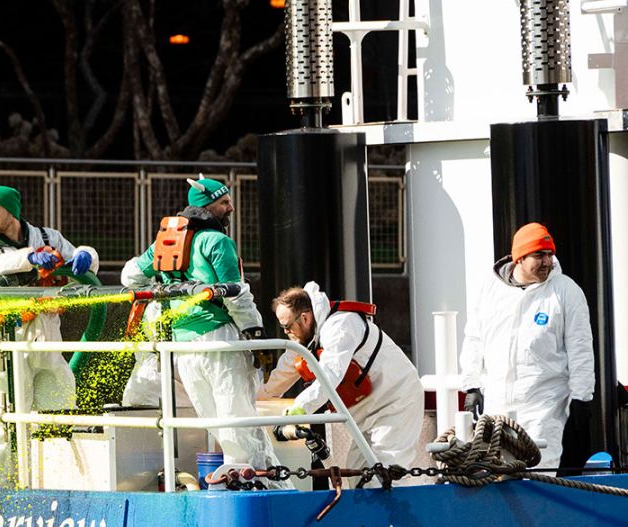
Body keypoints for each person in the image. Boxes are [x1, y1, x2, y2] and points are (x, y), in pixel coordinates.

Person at [121, 174, 283, 477]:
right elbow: (237, 294)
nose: (231, 208)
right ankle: (258, 479)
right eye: (224, 202)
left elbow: (129, 276)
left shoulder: (164, 243)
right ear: (207, 206)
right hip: (220, 339)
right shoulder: (217, 241)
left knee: (214, 418)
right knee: (238, 415)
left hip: (184, 346)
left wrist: (160, 286)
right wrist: (256, 335)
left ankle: (242, 474)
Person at [0, 185, 99, 477]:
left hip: (47, 336)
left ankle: (54, 476)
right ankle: (1, 482)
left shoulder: (49, 237)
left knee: (61, 396)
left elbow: (83, 255)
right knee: (7, 411)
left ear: (12, 211)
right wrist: (29, 257)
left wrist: (85, 256)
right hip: (5, 341)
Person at [459, 222, 594, 469]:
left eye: (550, 254)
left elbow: (581, 349)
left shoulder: (565, 291)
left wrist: (581, 398)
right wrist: (472, 386)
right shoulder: (490, 290)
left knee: (539, 472)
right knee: (495, 475)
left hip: (544, 407)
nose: (547, 262)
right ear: (520, 258)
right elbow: (474, 339)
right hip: (496, 406)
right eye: (539, 255)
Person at [260, 282, 425, 477]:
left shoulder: (341, 326)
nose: (286, 333)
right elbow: (280, 377)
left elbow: (330, 373)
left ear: (305, 317)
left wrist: (300, 408)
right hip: (368, 413)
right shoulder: (306, 338)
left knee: (385, 473)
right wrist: (253, 399)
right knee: (358, 474)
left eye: (287, 327)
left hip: (396, 402)